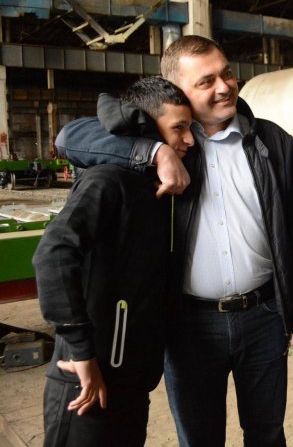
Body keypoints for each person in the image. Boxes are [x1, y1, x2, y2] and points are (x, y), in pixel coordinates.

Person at [55, 35, 293, 446]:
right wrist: (155, 153)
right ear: (178, 89)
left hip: (264, 316)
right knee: (199, 437)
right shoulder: (166, 139)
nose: (224, 86)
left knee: (267, 432)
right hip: (188, 324)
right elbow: (70, 137)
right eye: (206, 81)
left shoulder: (272, 141)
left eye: (226, 73)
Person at [34, 77, 194, 446]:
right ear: (148, 127)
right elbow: (53, 253)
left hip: (131, 381)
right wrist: (82, 351)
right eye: (179, 128)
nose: (189, 139)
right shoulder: (106, 181)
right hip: (88, 379)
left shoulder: (159, 187)